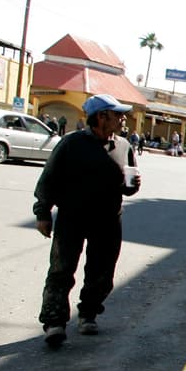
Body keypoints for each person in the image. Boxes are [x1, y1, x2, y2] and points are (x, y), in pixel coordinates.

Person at [33, 94, 143, 347]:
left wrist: (132, 187)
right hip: (72, 218)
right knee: (61, 271)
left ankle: (88, 314)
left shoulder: (124, 147)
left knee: (102, 272)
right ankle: (55, 322)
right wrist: (42, 213)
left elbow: (127, 186)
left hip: (108, 220)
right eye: (117, 114)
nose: (123, 119)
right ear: (101, 117)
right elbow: (49, 179)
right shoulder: (71, 144)